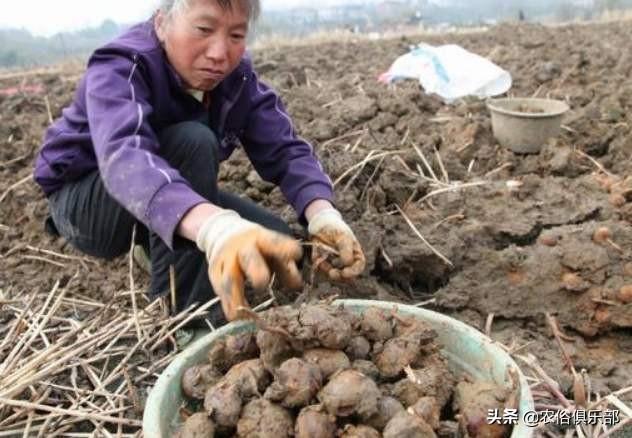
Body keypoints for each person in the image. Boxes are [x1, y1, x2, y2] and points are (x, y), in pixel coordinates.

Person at [33, 0, 365, 325]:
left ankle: (156, 240)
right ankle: (185, 322)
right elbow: (124, 157)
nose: (220, 53)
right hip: (88, 205)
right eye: (204, 29)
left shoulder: (237, 79)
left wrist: (323, 215)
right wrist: (215, 228)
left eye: (236, 36)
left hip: (164, 192)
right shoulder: (122, 65)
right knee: (193, 142)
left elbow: (285, 148)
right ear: (162, 24)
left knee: (275, 240)